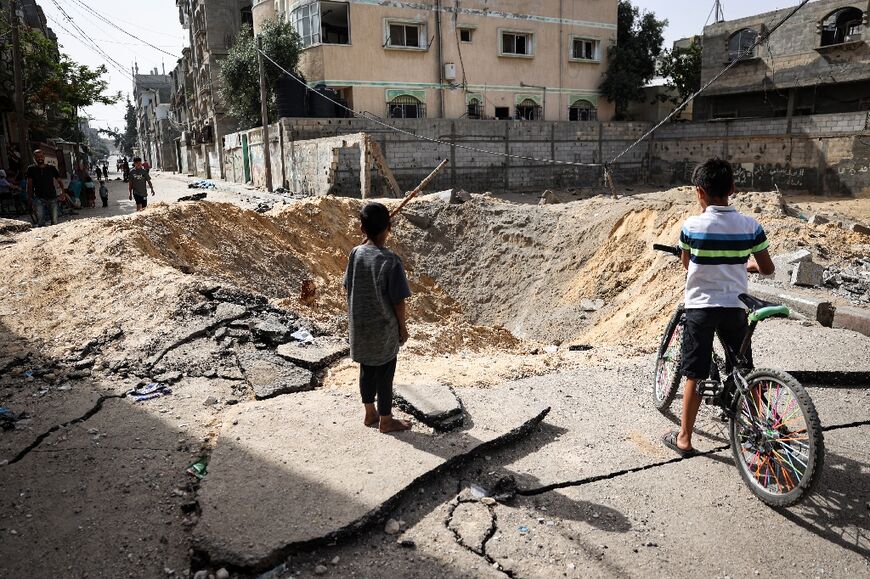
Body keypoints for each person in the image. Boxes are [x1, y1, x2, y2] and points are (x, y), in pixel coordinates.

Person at [663, 158, 775, 457]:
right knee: (744, 368)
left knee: (694, 373)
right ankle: (759, 422)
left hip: (700, 307)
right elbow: (766, 268)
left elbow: (688, 264)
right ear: (733, 189)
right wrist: (746, 265)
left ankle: (684, 438)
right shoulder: (751, 226)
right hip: (736, 306)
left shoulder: (692, 226)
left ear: (699, 192)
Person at [343, 202, 413, 434]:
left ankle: (369, 413)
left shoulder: (355, 253)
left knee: (366, 369)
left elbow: (348, 285)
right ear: (389, 227)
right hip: (383, 330)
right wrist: (402, 329)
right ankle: (386, 420)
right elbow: (398, 301)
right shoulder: (391, 261)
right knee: (385, 373)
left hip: (360, 327)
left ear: (362, 229)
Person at [26, 150, 66, 227]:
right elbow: (29, 184)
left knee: (54, 221)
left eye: (41, 156)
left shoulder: (51, 168)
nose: (39, 158)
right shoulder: (31, 169)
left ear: (44, 157)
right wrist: (30, 198)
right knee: (40, 222)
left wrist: (63, 193)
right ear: (34, 158)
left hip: (52, 197)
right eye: (37, 157)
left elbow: (60, 181)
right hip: (38, 197)